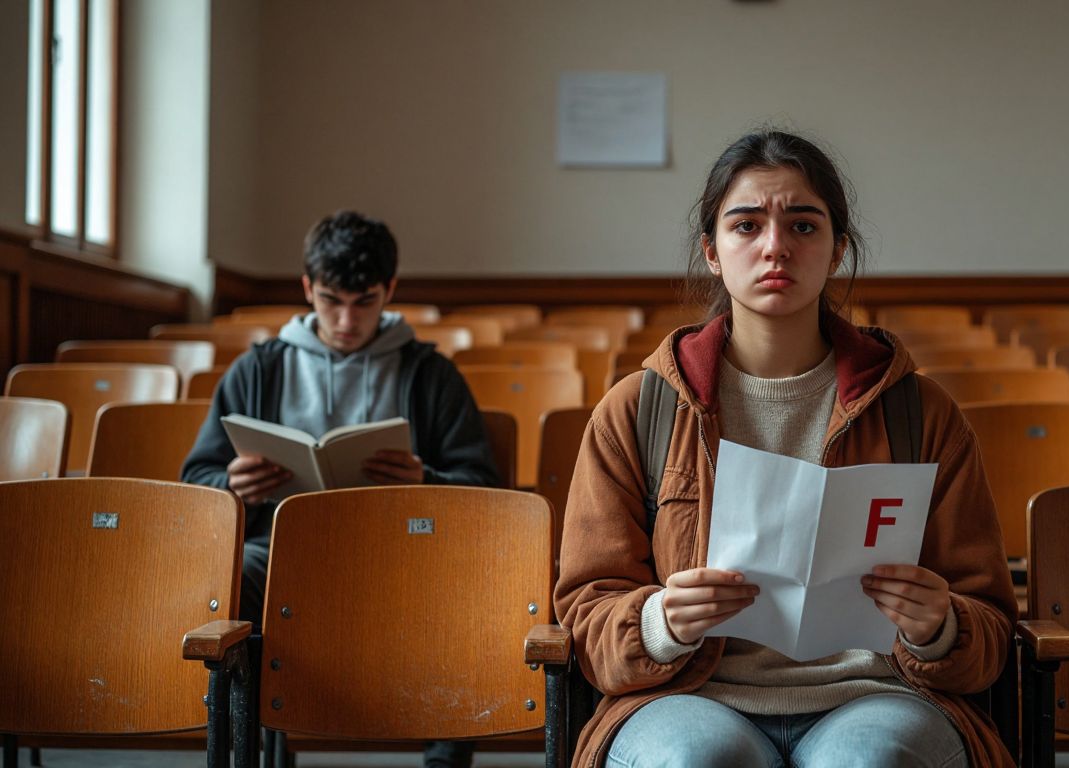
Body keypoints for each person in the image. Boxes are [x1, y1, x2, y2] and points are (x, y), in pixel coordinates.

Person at [553, 131, 1018, 768]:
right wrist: (661, 622)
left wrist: (939, 626)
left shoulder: (920, 411)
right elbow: (586, 611)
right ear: (711, 251)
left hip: (878, 693)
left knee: (868, 759)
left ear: (836, 251)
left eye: (803, 225)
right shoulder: (639, 410)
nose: (776, 247)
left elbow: (990, 621)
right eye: (746, 225)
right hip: (691, 694)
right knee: (696, 759)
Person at [180, 210, 497, 768]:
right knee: (231, 575)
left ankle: (446, 756)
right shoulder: (259, 370)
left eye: (364, 302)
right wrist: (233, 485)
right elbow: (196, 481)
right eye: (330, 300)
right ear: (307, 288)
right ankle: (249, 748)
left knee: (467, 586)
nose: (347, 320)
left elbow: (485, 488)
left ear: (390, 291)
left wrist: (426, 480)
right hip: (282, 553)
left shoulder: (429, 374)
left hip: (410, 552)